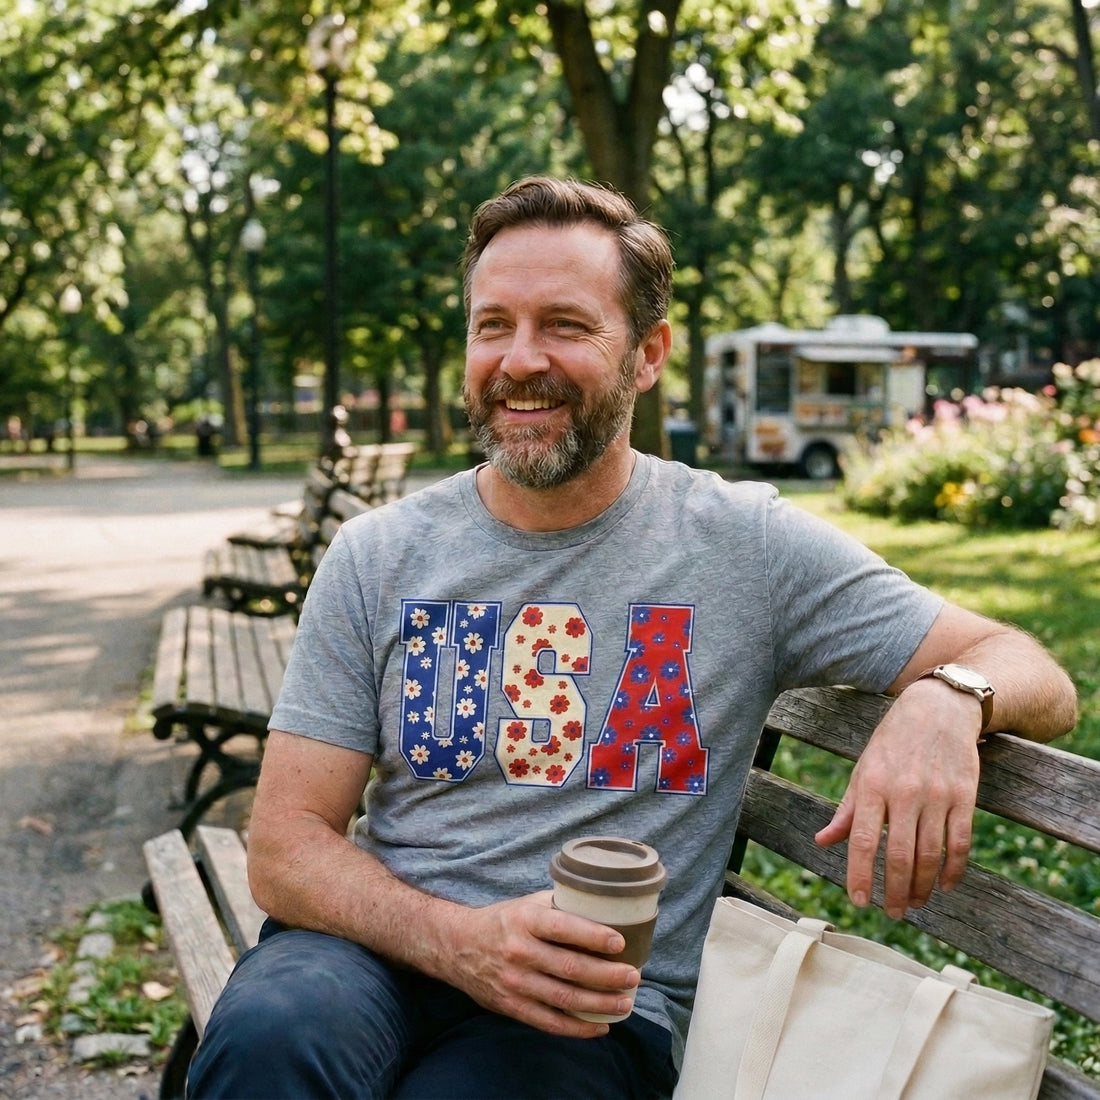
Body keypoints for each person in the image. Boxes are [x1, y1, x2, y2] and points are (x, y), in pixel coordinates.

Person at [187, 177, 1077, 1099]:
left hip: (593, 1005)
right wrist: (459, 943)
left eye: (565, 325)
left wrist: (947, 698)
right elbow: (286, 846)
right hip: (372, 953)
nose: (518, 359)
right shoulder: (380, 554)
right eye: (492, 325)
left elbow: (1034, 668)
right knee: (268, 1043)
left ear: (648, 355)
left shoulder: (745, 545)